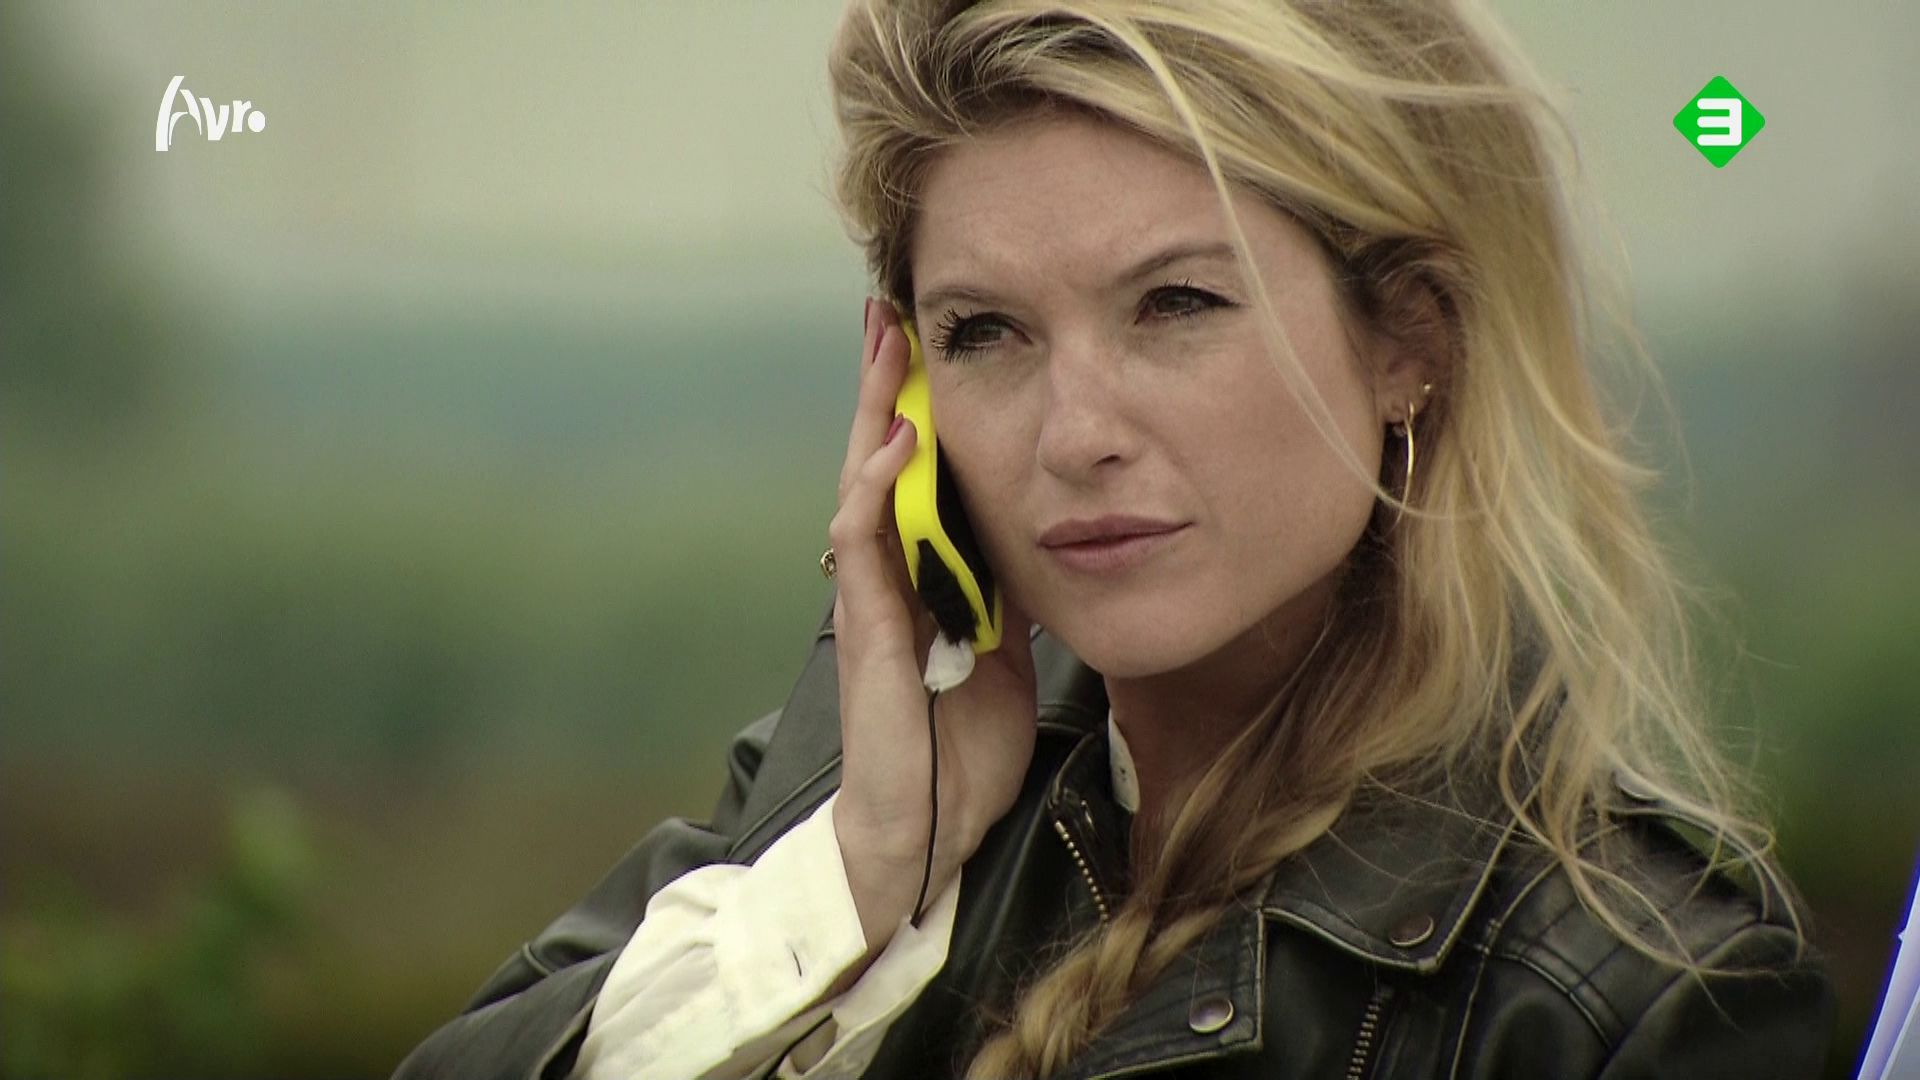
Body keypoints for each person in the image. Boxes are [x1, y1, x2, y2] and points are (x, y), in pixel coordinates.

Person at [394, 1, 1835, 1077]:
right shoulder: (861, 789)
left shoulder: (1633, 994)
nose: (1074, 433)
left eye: (1176, 305)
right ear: (904, 398)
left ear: (1411, 342)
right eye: (986, 333)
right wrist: (864, 874)